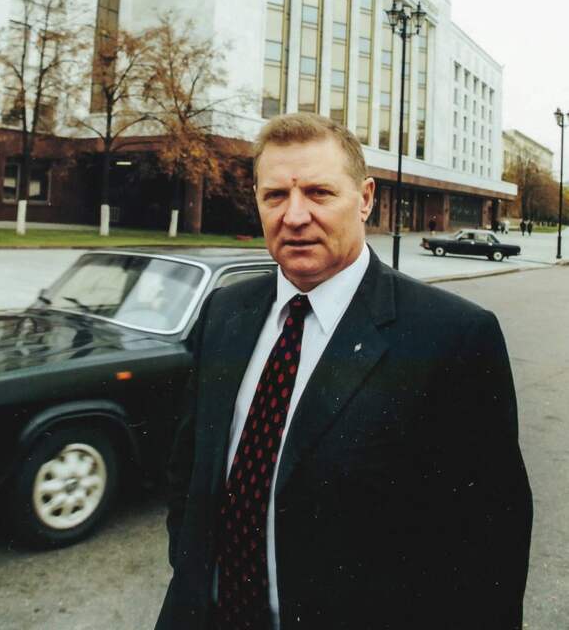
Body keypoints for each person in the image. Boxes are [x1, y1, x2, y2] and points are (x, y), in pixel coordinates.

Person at [156, 113, 532, 630]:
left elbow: (490, 546)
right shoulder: (224, 312)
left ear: (366, 198)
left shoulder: (454, 337)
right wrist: (190, 570)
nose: (294, 216)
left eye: (319, 192)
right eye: (275, 196)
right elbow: (189, 470)